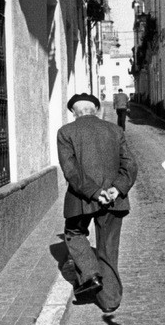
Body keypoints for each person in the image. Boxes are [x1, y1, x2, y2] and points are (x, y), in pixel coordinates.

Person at [56, 93, 138, 313]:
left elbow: (71, 171)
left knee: (74, 233)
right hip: (114, 199)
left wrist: (94, 192)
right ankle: (110, 301)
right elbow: (130, 165)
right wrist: (116, 188)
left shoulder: (66, 132)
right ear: (96, 109)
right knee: (108, 248)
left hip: (81, 199)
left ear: (73, 112)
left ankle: (91, 274)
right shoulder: (115, 130)